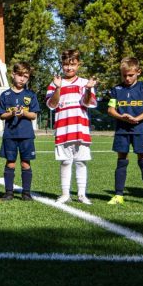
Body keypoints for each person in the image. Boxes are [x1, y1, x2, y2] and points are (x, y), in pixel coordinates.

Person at [105, 57, 143, 207]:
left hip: (140, 130)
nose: (127, 78)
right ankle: (118, 195)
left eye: (130, 75)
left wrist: (137, 118)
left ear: (138, 72)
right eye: (124, 75)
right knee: (121, 161)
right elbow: (111, 109)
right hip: (122, 130)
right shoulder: (116, 90)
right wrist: (121, 116)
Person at [46, 49, 97, 205]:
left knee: (81, 162)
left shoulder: (84, 83)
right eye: (66, 64)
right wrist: (58, 88)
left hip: (80, 129)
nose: (69, 68)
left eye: (73, 64)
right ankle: (65, 194)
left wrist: (88, 89)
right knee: (65, 162)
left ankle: (81, 194)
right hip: (63, 128)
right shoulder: (54, 83)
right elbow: (52, 105)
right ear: (62, 65)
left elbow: (88, 103)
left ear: (78, 65)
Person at [0, 61, 39, 201]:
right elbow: (2, 114)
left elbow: (33, 115)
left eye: (25, 76)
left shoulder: (30, 95)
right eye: (20, 75)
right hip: (10, 135)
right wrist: (12, 114)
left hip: (26, 135)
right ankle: (9, 192)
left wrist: (24, 114)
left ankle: (26, 193)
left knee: (25, 163)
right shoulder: (5, 95)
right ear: (13, 74)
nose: (22, 79)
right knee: (10, 162)